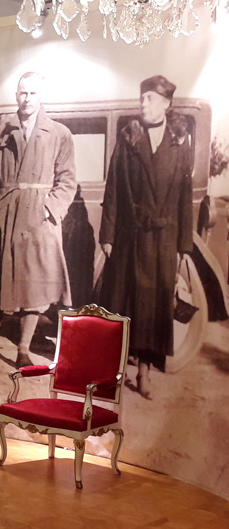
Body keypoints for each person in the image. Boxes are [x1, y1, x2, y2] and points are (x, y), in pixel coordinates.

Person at [99, 74, 193, 399]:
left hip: (163, 240)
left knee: (154, 308)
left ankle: (144, 373)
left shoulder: (180, 143)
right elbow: (112, 189)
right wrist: (108, 235)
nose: (143, 103)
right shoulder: (129, 138)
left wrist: (183, 245)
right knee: (122, 302)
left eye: (150, 98)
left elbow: (184, 196)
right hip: (130, 236)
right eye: (142, 98)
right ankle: (115, 371)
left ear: (166, 104)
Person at [0, 72, 77, 368]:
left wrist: (49, 210)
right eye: (23, 93)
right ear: (16, 95)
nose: (27, 98)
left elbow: (67, 180)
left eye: (33, 93)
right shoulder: (2, 133)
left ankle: (23, 349)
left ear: (41, 96)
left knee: (33, 287)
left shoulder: (59, 134)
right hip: (5, 217)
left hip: (39, 222)